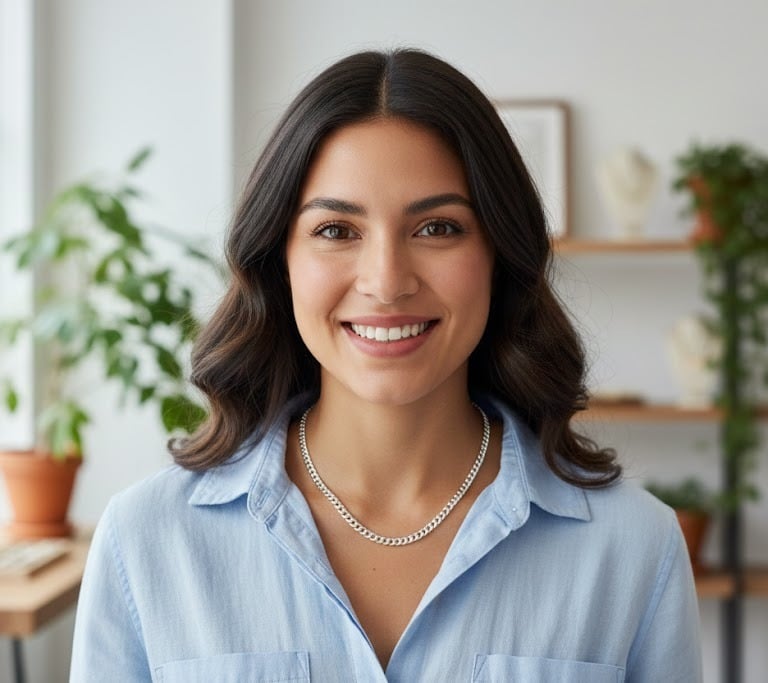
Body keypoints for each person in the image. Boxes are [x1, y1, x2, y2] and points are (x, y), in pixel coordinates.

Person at [70, 49, 701, 681]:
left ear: (499, 255)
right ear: (279, 258)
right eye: (337, 231)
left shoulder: (634, 547)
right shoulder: (146, 541)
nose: (387, 281)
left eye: (437, 228)